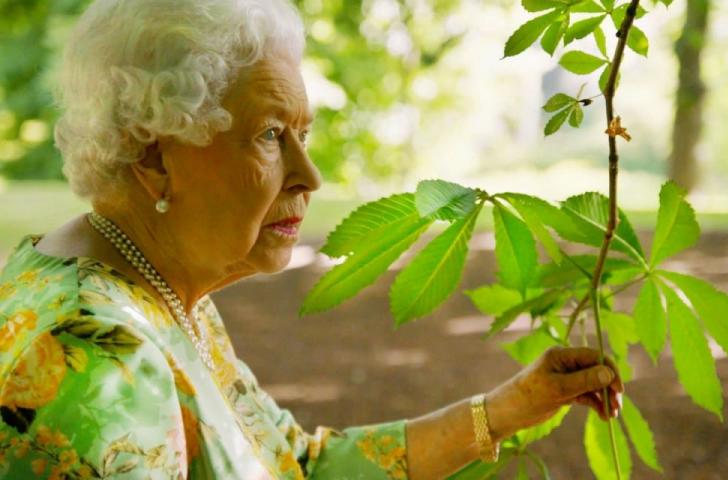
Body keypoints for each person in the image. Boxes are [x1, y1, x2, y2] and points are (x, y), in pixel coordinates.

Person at [0, 0, 623, 478]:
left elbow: (297, 463)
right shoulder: (97, 366)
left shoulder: (158, 292)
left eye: (304, 133)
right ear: (155, 154)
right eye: (271, 135)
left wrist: (511, 406)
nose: (310, 175)